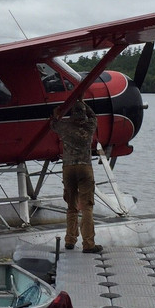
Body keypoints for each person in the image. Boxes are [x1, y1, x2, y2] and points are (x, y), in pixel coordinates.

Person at [50, 99, 102, 253]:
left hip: (68, 168)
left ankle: (70, 240)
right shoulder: (90, 126)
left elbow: (52, 123)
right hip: (84, 167)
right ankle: (88, 244)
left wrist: (58, 112)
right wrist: (82, 102)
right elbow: (94, 116)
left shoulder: (64, 127)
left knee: (71, 206)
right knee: (87, 207)